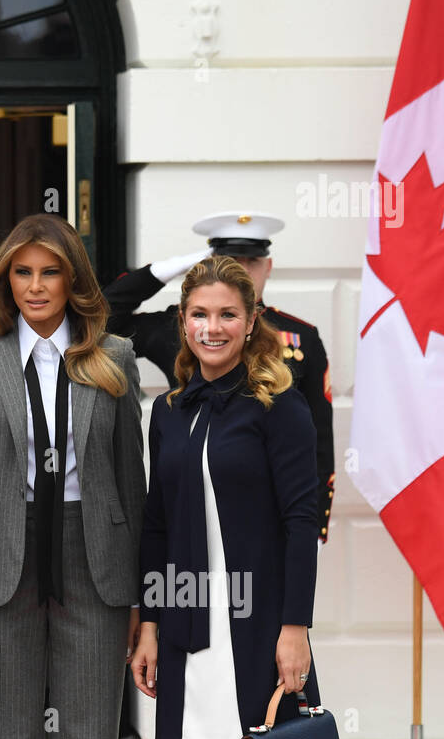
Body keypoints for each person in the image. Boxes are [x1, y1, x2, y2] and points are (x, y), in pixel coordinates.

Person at [0, 214, 146, 739]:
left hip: (93, 557)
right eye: (22, 272)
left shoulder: (116, 355)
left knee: (89, 736)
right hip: (2, 554)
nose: (34, 286)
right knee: (9, 738)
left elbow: (134, 486)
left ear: (71, 280)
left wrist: (138, 599)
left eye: (49, 272)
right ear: (6, 280)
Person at [129, 255, 321, 739]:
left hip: (259, 620)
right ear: (183, 321)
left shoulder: (280, 405)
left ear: (251, 320)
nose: (212, 328)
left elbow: (301, 522)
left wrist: (295, 627)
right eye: (199, 314)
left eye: (227, 315)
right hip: (187, 618)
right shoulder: (169, 410)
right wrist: (148, 624)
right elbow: (157, 525)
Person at [103, 212, 335, 545]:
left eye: (252, 261)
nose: (242, 269)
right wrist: (168, 269)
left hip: (270, 517)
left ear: (267, 267)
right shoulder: (182, 328)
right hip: (190, 505)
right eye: (230, 260)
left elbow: (319, 438)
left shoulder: (301, 337)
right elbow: (101, 322)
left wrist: (311, 526)